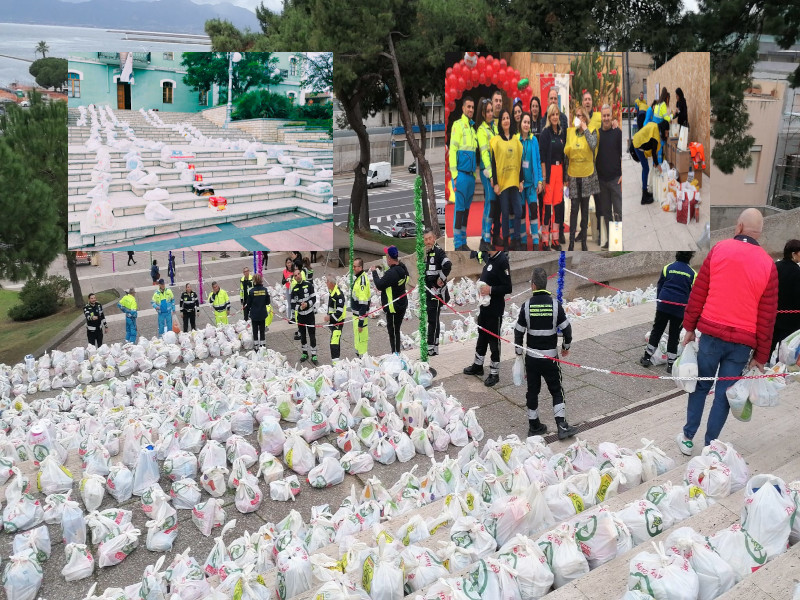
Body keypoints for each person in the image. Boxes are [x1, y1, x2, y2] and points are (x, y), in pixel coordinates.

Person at [677, 209, 778, 454]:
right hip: (742, 345)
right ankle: (711, 446)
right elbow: (767, 317)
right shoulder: (768, 265)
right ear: (759, 233)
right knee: (724, 394)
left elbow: (698, 292)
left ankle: (688, 437)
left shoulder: (719, 250)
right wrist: (761, 357)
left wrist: (689, 327)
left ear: (739, 226)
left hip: (711, 334)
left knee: (700, 386)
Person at [514, 267, 578, 440]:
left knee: (532, 391)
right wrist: (566, 346)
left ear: (533, 285)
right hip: (550, 358)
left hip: (532, 359)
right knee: (556, 390)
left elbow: (518, 332)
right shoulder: (555, 305)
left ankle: (534, 426)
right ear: (544, 284)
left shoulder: (526, 306)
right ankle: (562, 426)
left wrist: (519, 354)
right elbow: (567, 329)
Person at [640, 252, 696, 373]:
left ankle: (646, 357)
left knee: (657, 330)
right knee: (674, 335)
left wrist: (660, 303)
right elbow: (694, 294)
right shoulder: (692, 273)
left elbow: (660, 286)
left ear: (676, 255)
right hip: (680, 309)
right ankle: (671, 364)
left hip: (663, 305)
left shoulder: (668, 268)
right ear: (690, 257)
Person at [463, 250, 512, 387]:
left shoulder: (502, 260)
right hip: (484, 307)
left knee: (494, 341)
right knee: (482, 337)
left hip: (494, 309)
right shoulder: (490, 258)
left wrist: (490, 290)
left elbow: (508, 287)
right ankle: (478, 365)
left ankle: (494, 373)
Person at [564, 106, 599, 251]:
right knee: (574, 211)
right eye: (576, 115)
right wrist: (566, 176)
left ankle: (584, 242)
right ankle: (571, 242)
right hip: (573, 176)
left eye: (580, 115)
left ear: (585, 118)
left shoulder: (592, 131)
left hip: (586, 176)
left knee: (584, 211)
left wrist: (585, 129)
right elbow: (566, 155)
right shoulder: (570, 132)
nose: (577, 118)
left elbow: (593, 145)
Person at [490, 108, 524, 251]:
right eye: (503, 118)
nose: (506, 120)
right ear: (501, 122)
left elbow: (519, 161)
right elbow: (494, 163)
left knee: (518, 211)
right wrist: (496, 183)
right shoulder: (496, 141)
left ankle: (516, 239)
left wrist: (521, 180)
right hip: (503, 184)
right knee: (504, 213)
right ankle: (505, 241)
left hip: (515, 182)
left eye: (507, 118)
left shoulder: (516, 140)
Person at [449, 95, 478, 251]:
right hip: (461, 175)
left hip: (471, 176)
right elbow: (452, 150)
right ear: (463, 108)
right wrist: (454, 175)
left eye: (472, 107)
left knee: (466, 211)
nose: (471, 110)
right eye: (468, 107)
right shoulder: (458, 125)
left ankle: (463, 241)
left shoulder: (473, 129)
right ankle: (457, 243)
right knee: (459, 210)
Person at [371, 246, 410, 354]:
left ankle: (395, 353)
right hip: (402, 303)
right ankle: (396, 352)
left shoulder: (391, 273)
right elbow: (407, 278)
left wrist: (374, 272)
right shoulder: (403, 268)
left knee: (393, 331)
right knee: (396, 329)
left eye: (387, 256)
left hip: (393, 307)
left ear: (389, 258)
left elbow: (379, 285)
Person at [539, 103, 566, 251]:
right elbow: (542, 157)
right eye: (553, 114)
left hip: (559, 171)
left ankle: (555, 239)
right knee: (547, 207)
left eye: (557, 114)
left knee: (557, 206)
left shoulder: (561, 133)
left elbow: (564, 155)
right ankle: (545, 239)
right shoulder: (545, 134)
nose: (555, 117)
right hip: (549, 173)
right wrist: (544, 177)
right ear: (549, 117)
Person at [596, 104, 623, 249]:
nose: (606, 118)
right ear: (601, 116)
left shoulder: (617, 133)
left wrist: (623, 174)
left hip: (615, 180)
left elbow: (622, 155)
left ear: (612, 116)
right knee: (606, 213)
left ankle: (617, 243)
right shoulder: (598, 135)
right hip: (602, 181)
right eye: (604, 115)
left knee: (618, 212)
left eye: (608, 115)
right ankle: (611, 241)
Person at [517, 112, 544, 250]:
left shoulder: (534, 140)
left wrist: (540, 181)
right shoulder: (516, 140)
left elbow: (538, 162)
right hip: (520, 185)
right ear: (520, 124)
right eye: (524, 122)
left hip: (532, 185)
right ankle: (522, 241)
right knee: (521, 213)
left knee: (534, 212)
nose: (526, 124)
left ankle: (534, 241)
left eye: (528, 122)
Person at [423, 229, 452, 356]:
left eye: (430, 238)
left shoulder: (438, 251)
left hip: (436, 293)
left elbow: (448, 265)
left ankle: (430, 348)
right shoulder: (426, 253)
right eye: (425, 239)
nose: (428, 241)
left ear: (434, 238)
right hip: (429, 292)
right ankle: (435, 346)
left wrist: (441, 278)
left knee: (432, 320)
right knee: (434, 319)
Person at [771, 239, 800, 354]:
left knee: (768, 349)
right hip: (791, 320)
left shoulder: (774, 267)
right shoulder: (797, 272)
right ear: (793, 254)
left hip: (773, 316)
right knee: (785, 352)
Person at [476, 98, 497, 253]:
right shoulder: (482, 130)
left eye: (491, 110)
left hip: (495, 171)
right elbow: (484, 154)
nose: (490, 113)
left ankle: (487, 236)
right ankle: (485, 239)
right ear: (482, 113)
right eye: (488, 111)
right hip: (486, 170)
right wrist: (490, 175)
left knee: (492, 204)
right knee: (489, 202)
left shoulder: (494, 127)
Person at [631, 120, 668, 205]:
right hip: (638, 145)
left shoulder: (655, 125)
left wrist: (655, 163)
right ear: (663, 129)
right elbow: (654, 153)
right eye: (666, 132)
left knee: (645, 169)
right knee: (646, 169)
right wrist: (658, 165)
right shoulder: (656, 133)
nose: (666, 135)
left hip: (637, 141)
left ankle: (645, 191)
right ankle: (644, 197)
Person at [291, 266, 318, 363]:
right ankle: (305, 353)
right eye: (295, 275)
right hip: (301, 316)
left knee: (312, 335)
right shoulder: (294, 290)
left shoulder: (309, 285)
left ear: (301, 274)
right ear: (294, 278)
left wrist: (307, 304)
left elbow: (314, 298)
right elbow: (293, 304)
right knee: (302, 335)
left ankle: (314, 355)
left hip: (310, 315)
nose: (297, 276)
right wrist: (299, 307)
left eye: (298, 274)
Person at [351, 257, 371, 357]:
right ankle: (359, 355)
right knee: (358, 338)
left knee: (362, 339)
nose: (353, 268)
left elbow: (363, 304)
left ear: (361, 267)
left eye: (355, 267)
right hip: (356, 315)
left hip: (360, 316)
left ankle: (362, 358)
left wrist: (360, 323)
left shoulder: (362, 281)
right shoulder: (358, 278)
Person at [247, 273, 271, 351]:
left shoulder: (251, 291)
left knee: (255, 330)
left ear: (254, 281)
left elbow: (249, 304)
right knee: (262, 330)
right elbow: (268, 302)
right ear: (261, 281)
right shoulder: (265, 290)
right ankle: (263, 345)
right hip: (262, 313)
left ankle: (256, 346)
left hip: (254, 314)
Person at [325, 277, 346, 361]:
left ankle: (336, 363)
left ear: (332, 284)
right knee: (335, 341)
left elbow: (339, 311)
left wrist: (329, 317)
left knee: (334, 343)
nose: (326, 283)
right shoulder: (332, 292)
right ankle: (337, 362)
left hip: (338, 322)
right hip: (334, 322)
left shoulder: (338, 294)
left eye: (327, 282)